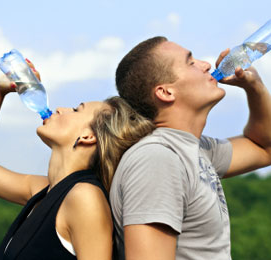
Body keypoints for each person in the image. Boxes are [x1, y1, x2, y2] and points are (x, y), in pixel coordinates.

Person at [0, 60, 155, 260]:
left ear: (88, 136)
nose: (60, 108)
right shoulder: (43, 191)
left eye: (76, 110)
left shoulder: (85, 198)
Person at [109, 36, 271, 260]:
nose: (206, 64)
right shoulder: (157, 159)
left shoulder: (197, 149)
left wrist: (255, 86)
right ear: (165, 92)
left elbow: (265, 148)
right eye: (190, 62)